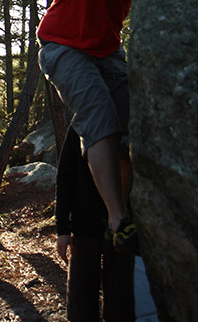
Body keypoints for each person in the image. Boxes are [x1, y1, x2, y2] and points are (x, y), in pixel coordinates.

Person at [38, 0, 146, 251]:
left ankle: (124, 209)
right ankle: (117, 218)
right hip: (64, 47)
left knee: (133, 120)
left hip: (106, 52)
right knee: (98, 113)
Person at [56, 125, 135, 322]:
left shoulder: (128, 119)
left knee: (120, 305)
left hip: (122, 229)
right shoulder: (82, 122)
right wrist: (63, 229)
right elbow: (65, 176)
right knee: (81, 305)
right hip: (84, 228)